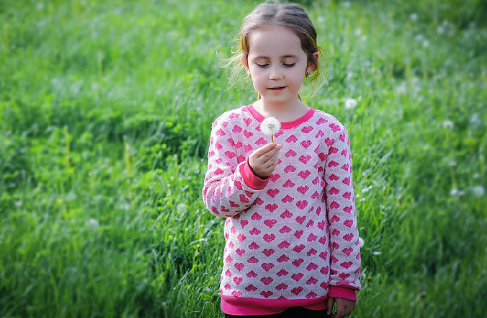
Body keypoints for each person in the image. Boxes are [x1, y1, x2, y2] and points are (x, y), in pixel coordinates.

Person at [202, 2, 361, 317]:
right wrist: (249, 175)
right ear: (247, 65)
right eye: (263, 64)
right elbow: (217, 202)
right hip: (247, 287)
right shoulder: (230, 126)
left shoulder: (329, 131)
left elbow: (342, 212)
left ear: (310, 64)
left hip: (311, 289)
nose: (275, 75)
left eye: (288, 63)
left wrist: (344, 282)